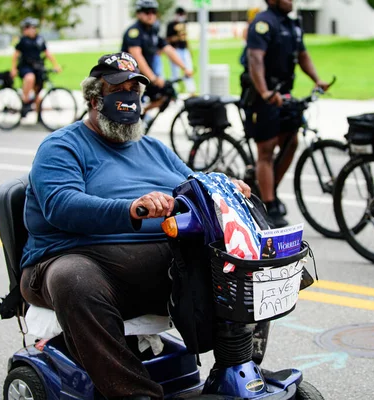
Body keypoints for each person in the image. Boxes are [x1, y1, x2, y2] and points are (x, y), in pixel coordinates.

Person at [18, 52, 250, 399]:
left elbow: (194, 184)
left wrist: (223, 185)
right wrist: (133, 209)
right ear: (95, 100)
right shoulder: (62, 146)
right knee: (73, 278)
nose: (129, 99)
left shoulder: (154, 147)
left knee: (242, 262)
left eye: (135, 91)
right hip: (74, 258)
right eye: (118, 90)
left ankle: (235, 371)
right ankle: (135, 393)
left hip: (160, 262)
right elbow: (61, 206)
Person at [243, 0, 331, 228]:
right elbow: (255, 59)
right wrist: (264, 92)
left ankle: (267, 191)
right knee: (267, 149)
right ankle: (268, 204)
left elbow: (302, 55)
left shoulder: (292, 24)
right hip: (262, 95)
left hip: (283, 94)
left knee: (292, 141)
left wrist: (317, 79)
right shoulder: (263, 23)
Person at [122, 0, 193, 114]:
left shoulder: (153, 31)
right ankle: (135, 118)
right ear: (138, 14)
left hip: (146, 76)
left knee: (167, 94)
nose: (150, 15)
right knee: (129, 107)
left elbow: (168, 49)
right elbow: (137, 57)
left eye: (153, 12)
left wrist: (184, 68)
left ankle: (143, 114)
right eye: (146, 12)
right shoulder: (134, 32)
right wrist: (154, 79)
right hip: (131, 76)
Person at [10, 17, 61, 117]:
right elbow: (15, 55)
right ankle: (25, 100)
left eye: (33, 28)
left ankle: (38, 117)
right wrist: (13, 68)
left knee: (38, 93)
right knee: (30, 78)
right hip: (25, 67)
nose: (32, 30)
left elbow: (47, 53)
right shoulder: (23, 41)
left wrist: (55, 65)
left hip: (37, 67)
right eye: (29, 28)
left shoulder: (40, 39)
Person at [166, 7, 196, 95]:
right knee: (175, 72)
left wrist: (189, 49)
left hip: (184, 49)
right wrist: (176, 37)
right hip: (175, 50)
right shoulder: (171, 25)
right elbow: (167, 39)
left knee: (188, 70)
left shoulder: (184, 23)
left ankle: (191, 90)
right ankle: (174, 92)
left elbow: (185, 38)